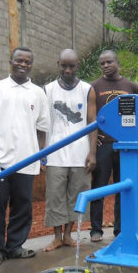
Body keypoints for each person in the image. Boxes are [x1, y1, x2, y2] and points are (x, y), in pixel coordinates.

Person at [0, 47, 50, 268]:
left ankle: (15, 246)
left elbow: (42, 128)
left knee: (22, 206)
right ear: (10, 61)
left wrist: (40, 155)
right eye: (19, 60)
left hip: (27, 161)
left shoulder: (38, 93)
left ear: (31, 65)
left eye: (27, 62)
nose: (23, 64)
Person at [42, 49, 97, 251]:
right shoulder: (48, 90)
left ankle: (68, 235)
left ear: (78, 66)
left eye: (71, 66)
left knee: (78, 194)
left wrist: (92, 152)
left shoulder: (87, 89)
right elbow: (43, 123)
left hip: (80, 154)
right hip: (55, 153)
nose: (67, 70)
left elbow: (92, 122)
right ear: (58, 64)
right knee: (55, 196)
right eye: (63, 65)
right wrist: (43, 151)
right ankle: (57, 236)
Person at [89, 50, 138, 242]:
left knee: (121, 188)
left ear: (118, 62)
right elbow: (91, 119)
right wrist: (93, 147)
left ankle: (120, 230)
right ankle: (96, 230)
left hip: (124, 146)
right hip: (103, 144)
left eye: (109, 62)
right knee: (98, 187)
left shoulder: (130, 86)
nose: (106, 66)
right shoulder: (94, 86)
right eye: (102, 63)